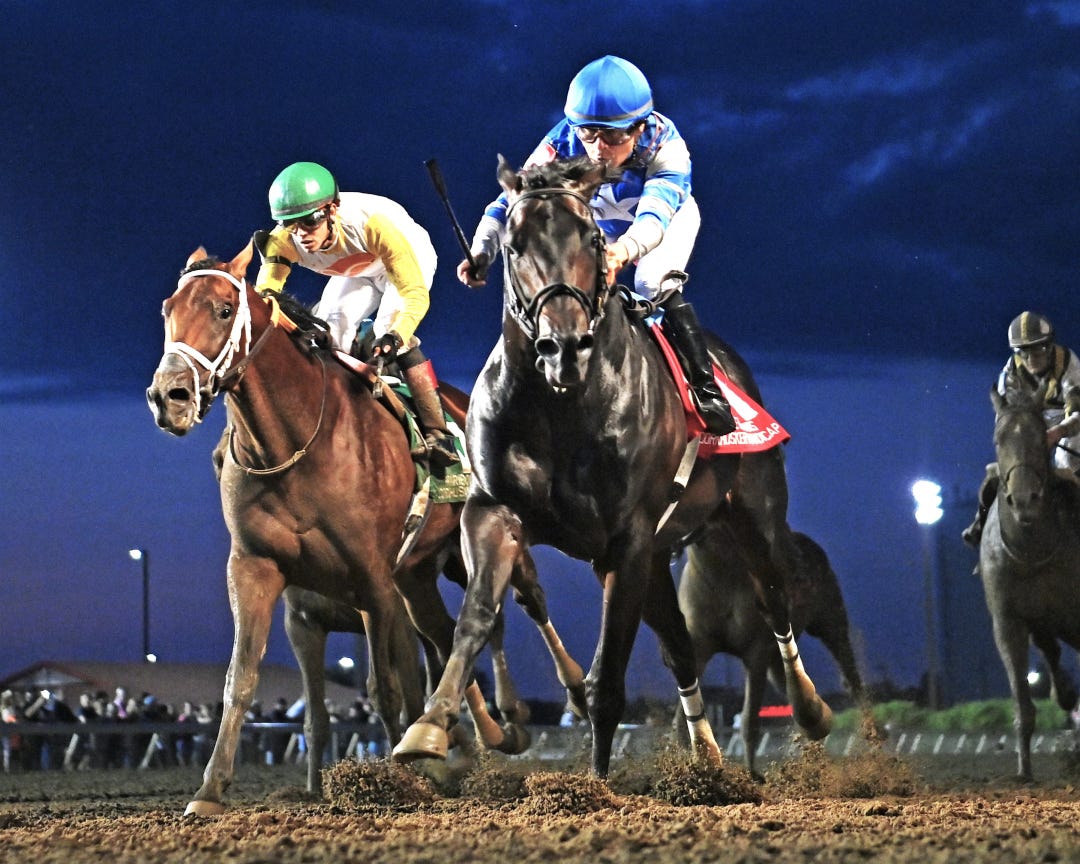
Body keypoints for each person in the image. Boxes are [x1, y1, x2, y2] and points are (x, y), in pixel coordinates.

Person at [456, 55, 735, 435]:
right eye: (589, 134)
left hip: (662, 219)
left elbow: (652, 219)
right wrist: (482, 250)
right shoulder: (561, 140)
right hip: (597, 219)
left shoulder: (668, 147)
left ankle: (705, 387)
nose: (599, 148)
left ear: (639, 128)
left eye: (613, 136)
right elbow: (510, 201)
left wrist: (626, 249)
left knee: (652, 284)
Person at [255, 161, 460, 470]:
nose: (301, 235)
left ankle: (438, 433)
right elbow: (266, 294)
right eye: (290, 224)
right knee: (333, 330)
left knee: (388, 332)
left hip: (404, 259)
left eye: (309, 220)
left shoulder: (373, 225)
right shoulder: (284, 241)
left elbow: (414, 295)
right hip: (359, 269)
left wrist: (396, 334)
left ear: (332, 209)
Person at [962, 311, 1080, 546]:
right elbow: (1004, 418)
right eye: (1024, 352)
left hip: (1069, 423)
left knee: (1066, 465)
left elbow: (1076, 411)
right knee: (997, 473)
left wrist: (1056, 433)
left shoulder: (1068, 362)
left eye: (1038, 351)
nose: (1031, 359)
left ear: (1050, 346)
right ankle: (980, 523)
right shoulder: (1010, 373)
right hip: (1031, 425)